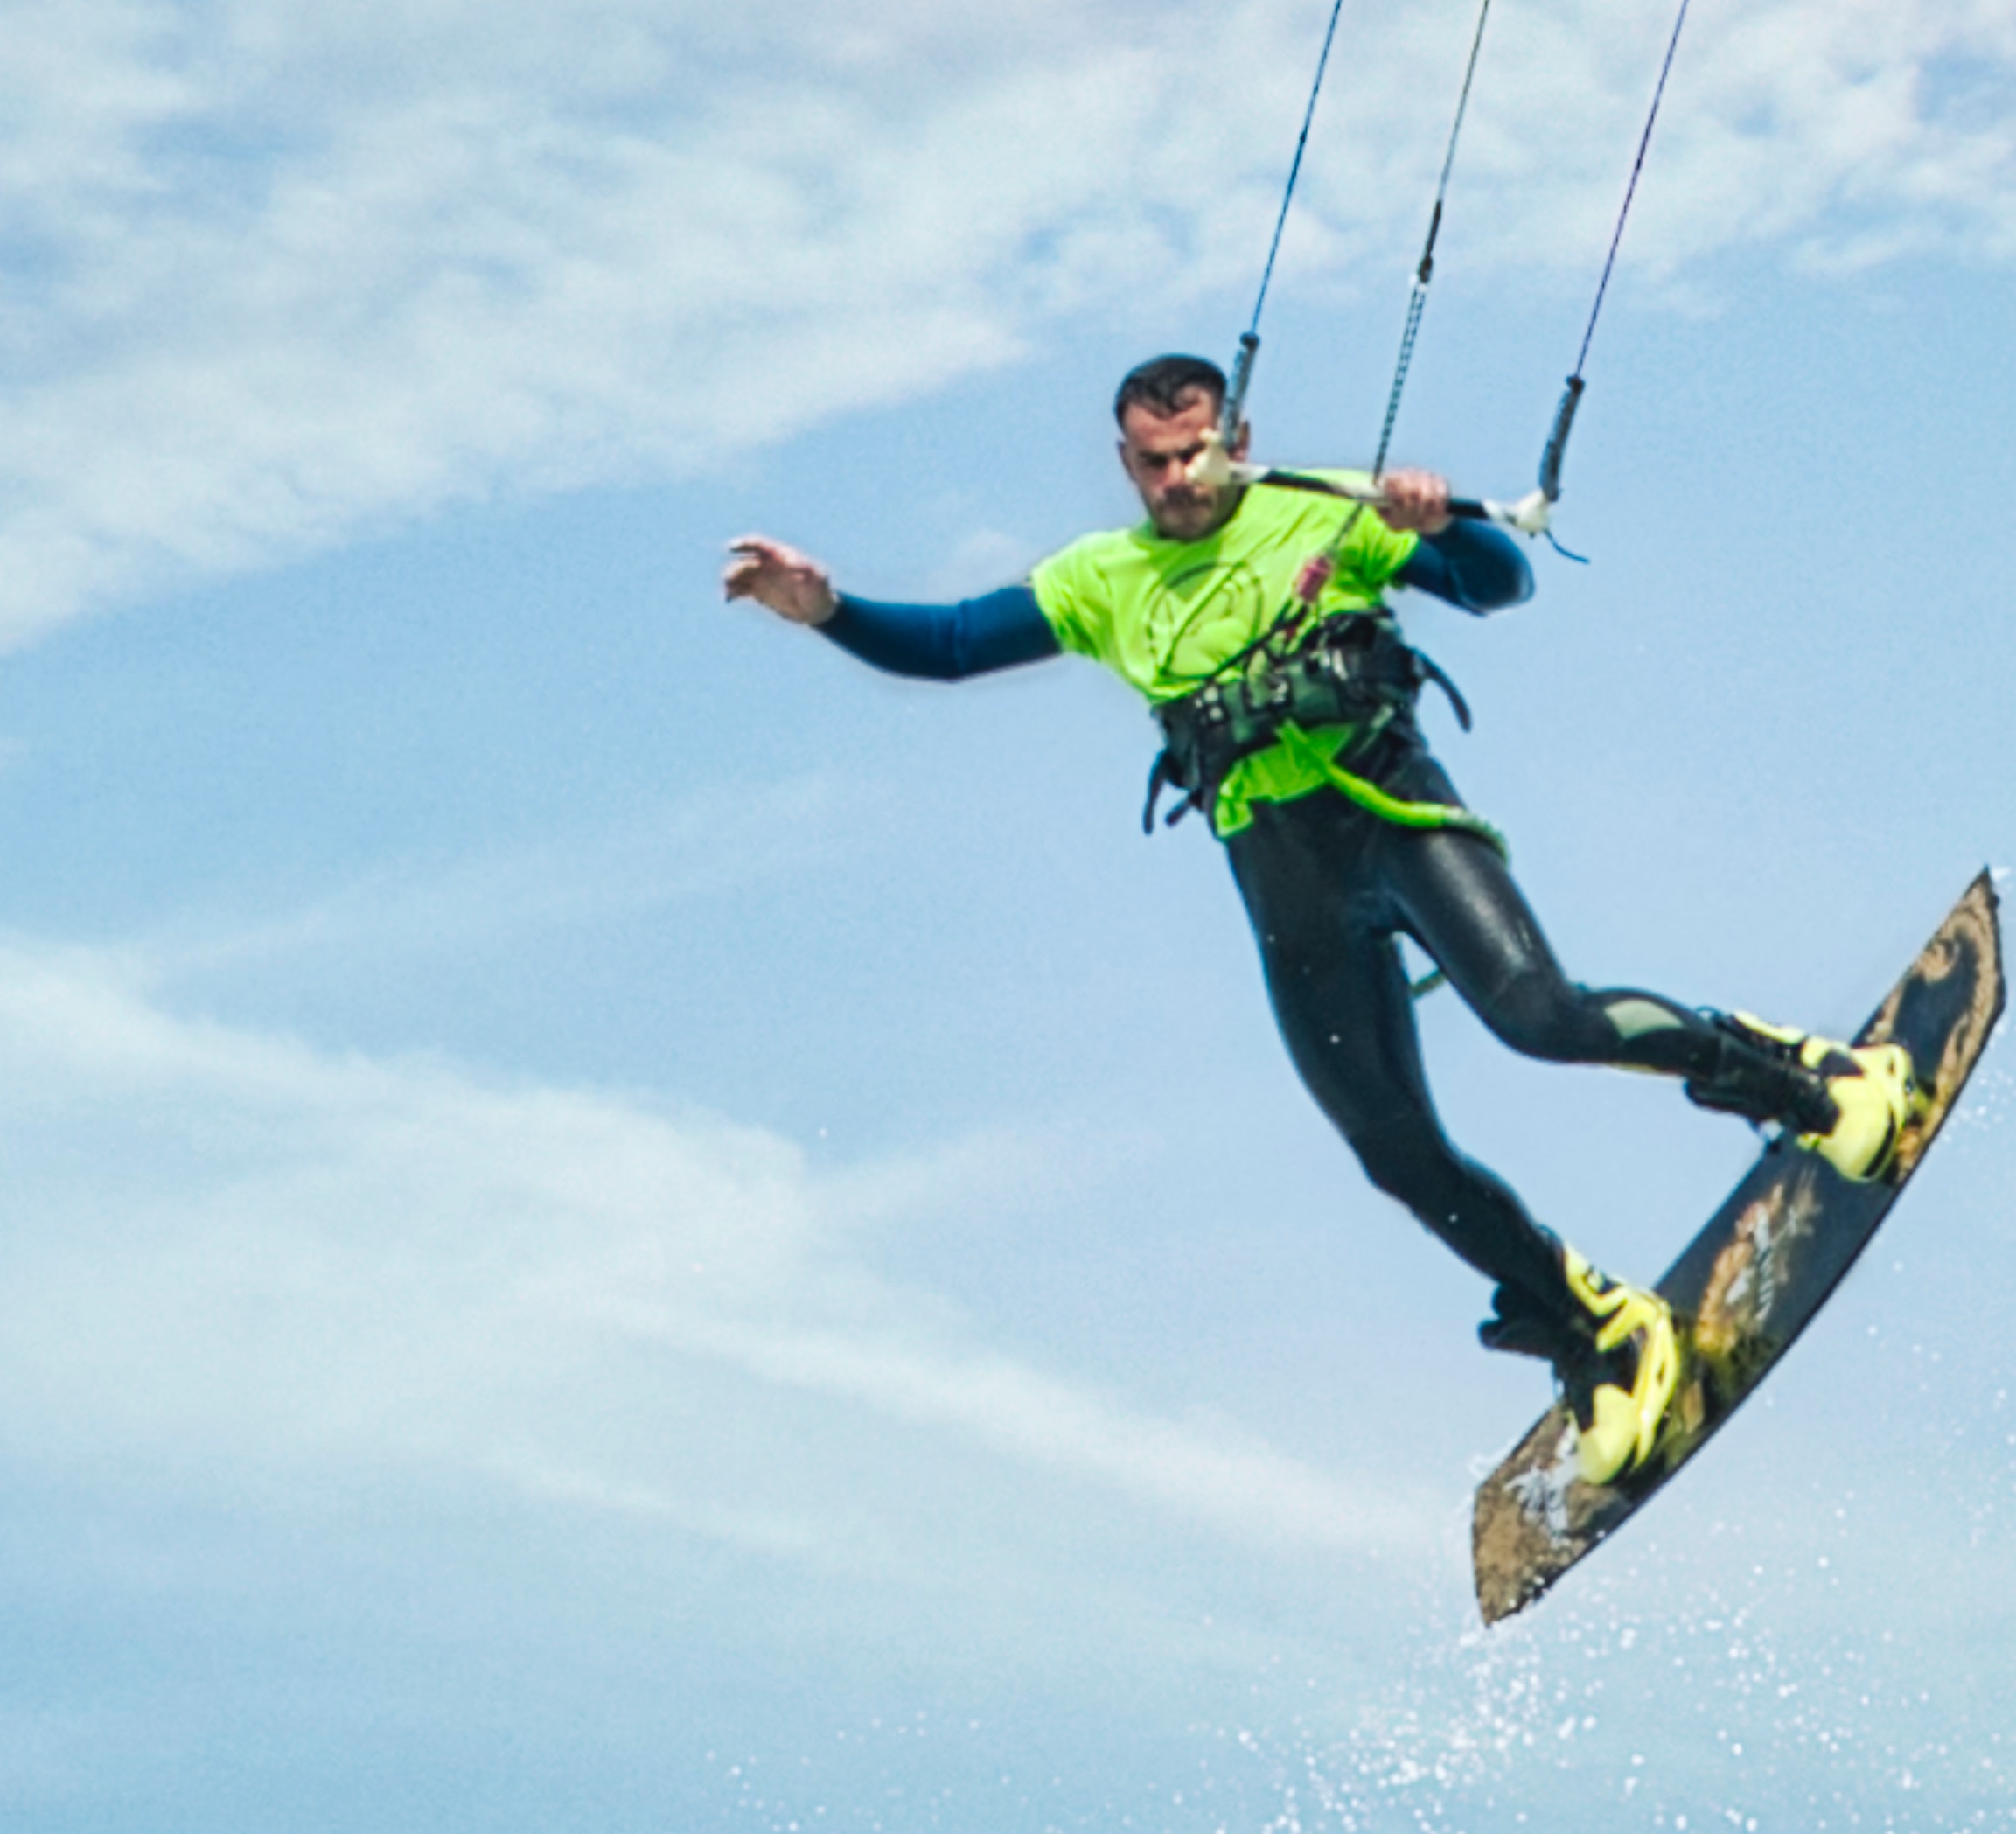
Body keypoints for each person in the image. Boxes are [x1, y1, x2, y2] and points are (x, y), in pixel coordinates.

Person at [719, 350, 1905, 1467]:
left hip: (1398, 823)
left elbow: (1503, 584)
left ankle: (1805, 1082)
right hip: (1289, 889)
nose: (1177, 480)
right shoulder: (1102, 581)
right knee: (1393, 1150)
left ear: (1238, 437)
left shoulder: (1327, 506)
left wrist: (1442, 524)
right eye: (1152, 462)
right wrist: (829, 609)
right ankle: (1592, 1324)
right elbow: (957, 641)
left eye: (1194, 452)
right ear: (1126, 461)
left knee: (1544, 1017)